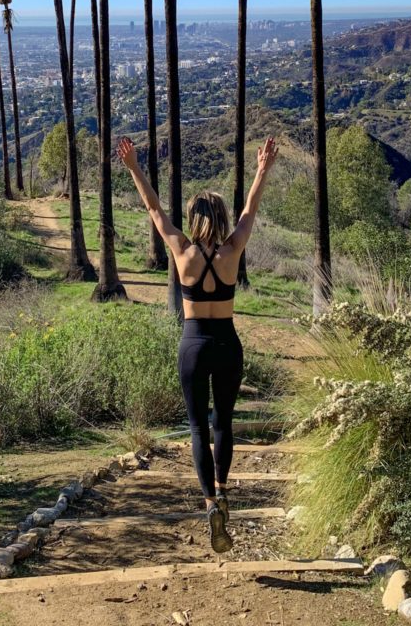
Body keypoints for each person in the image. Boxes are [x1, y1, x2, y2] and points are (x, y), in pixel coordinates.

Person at [117, 135, 278, 554]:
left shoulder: (182, 251)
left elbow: (154, 210)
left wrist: (135, 167)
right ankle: (223, 491)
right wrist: (261, 169)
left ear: (193, 217)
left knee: (196, 427)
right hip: (227, 342)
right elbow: (250, 210)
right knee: (223, 421)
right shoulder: (232, 249)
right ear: (221, 218)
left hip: (192, 344)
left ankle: (209, 501)